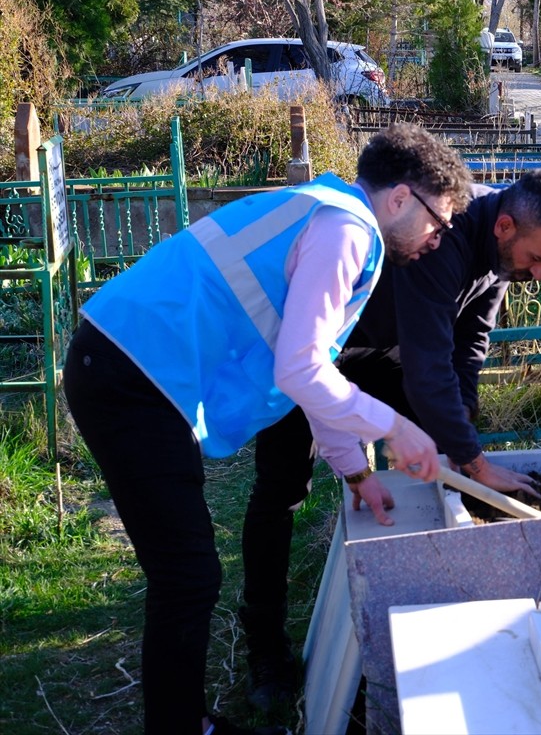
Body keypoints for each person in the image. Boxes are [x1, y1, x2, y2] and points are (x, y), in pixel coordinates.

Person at [62, 123, 473, 735]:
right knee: (188, 575)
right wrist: (395, 429)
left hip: (131, 367)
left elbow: (311, 373)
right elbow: (303, 368)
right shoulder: (348, 233)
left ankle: (183, 721)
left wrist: (355, 469)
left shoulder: (330, 213)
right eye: (438, 224)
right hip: (132, 375)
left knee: (187, 573)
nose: (437, 241)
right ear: (400, 198)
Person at [238, 167, 541, 709]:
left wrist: (459, 435)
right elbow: (428, 367)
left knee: (435, 447)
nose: (539, 274)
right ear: (505, 226)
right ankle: (265, 643)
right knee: (282, 488)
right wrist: (474, 462)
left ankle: (418, 589)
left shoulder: (499, 259)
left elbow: (467, 346)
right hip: (313, 345)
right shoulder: (447, 231)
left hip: (380, 350)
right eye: (538, 258)